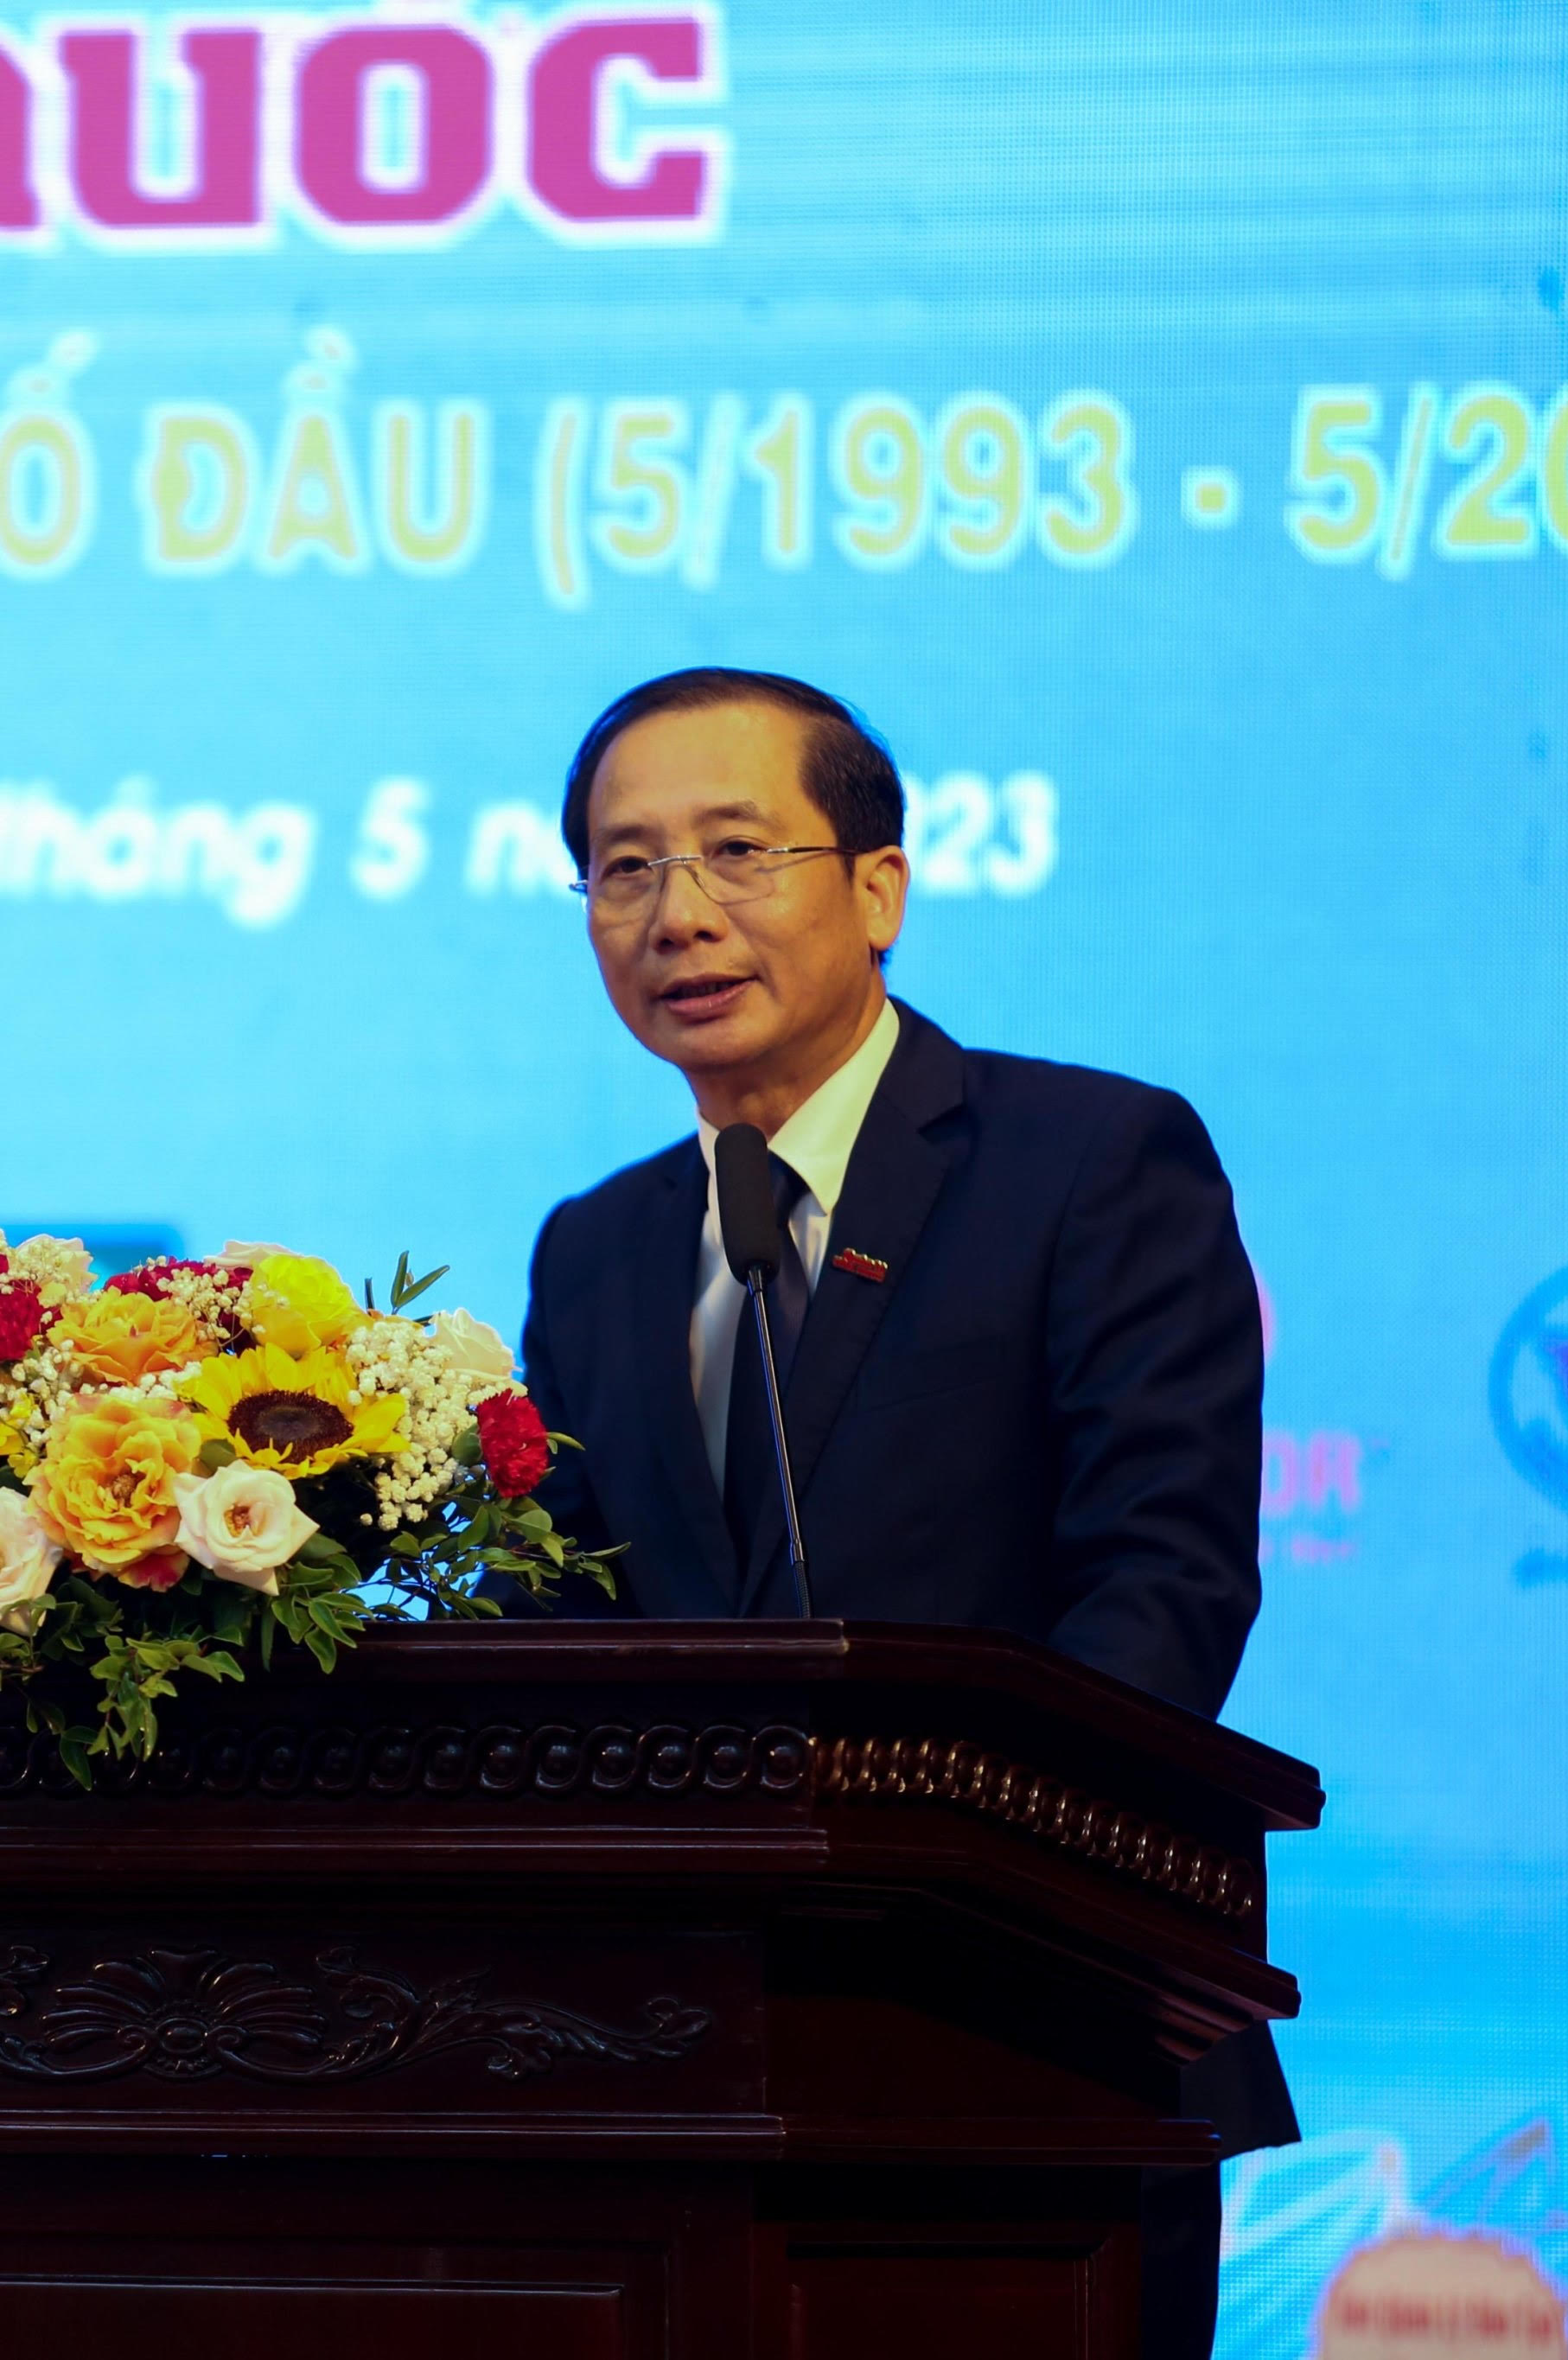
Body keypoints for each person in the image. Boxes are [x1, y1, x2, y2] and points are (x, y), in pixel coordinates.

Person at [509, 666, 1293, 2360]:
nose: (676, 913)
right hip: (663, 2076)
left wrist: (960, 1887)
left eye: (737, 851)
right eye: (624, 869)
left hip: (1028, 2049)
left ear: (878, 888)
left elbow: (1160, 1584)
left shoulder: (1089, 1161)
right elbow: (558, 1633)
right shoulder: (596, 1248)